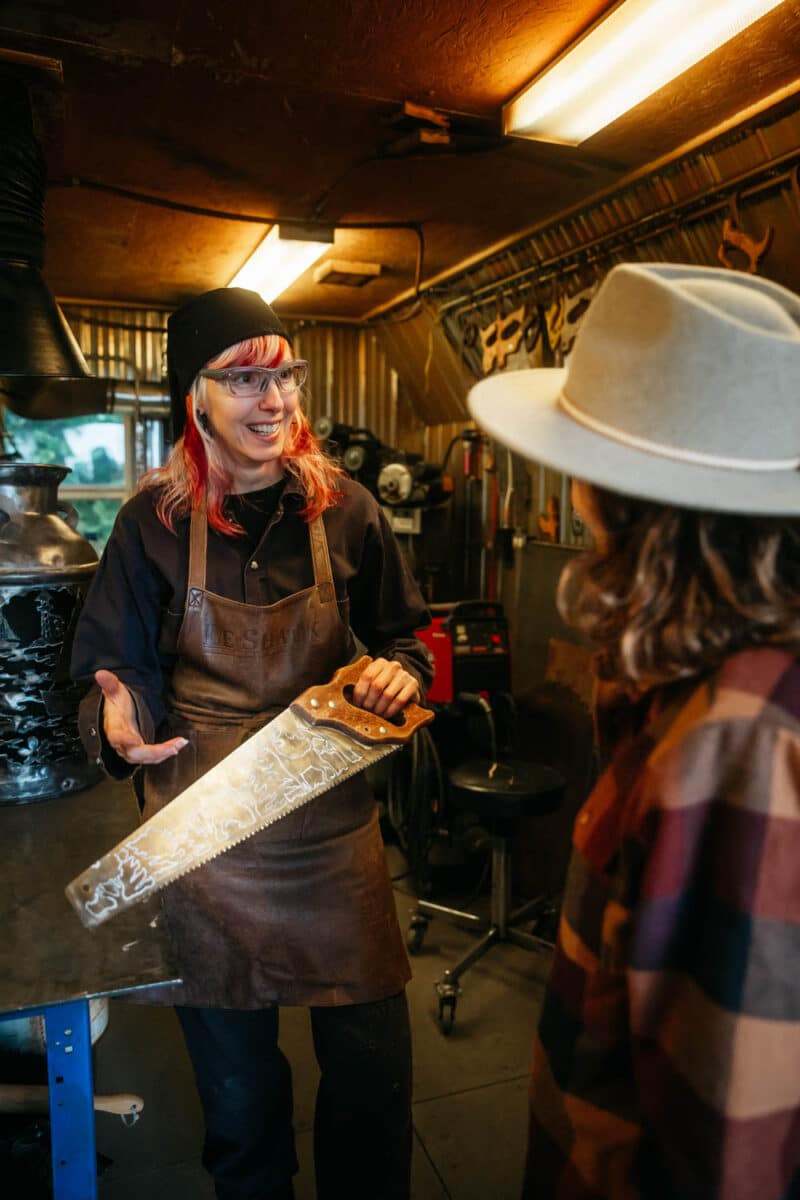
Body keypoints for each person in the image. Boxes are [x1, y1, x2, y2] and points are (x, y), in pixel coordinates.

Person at [71, 286, 432, 1200]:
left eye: (285, 376)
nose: (272, 399)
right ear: (195, 396)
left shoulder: (345, 509)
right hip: (208, 842)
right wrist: (117, 717)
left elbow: (405, 637)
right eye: (243, 378)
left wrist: (400, 673)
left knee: (371, 1080)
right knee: (238, 1102)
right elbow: (116, 670)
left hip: (331, 832)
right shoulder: (150, 522)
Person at [468, 262, 800, 1199]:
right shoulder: (701, 693)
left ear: (627, 503)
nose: (573, 490)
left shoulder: (740, 739)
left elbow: (730, 1149)